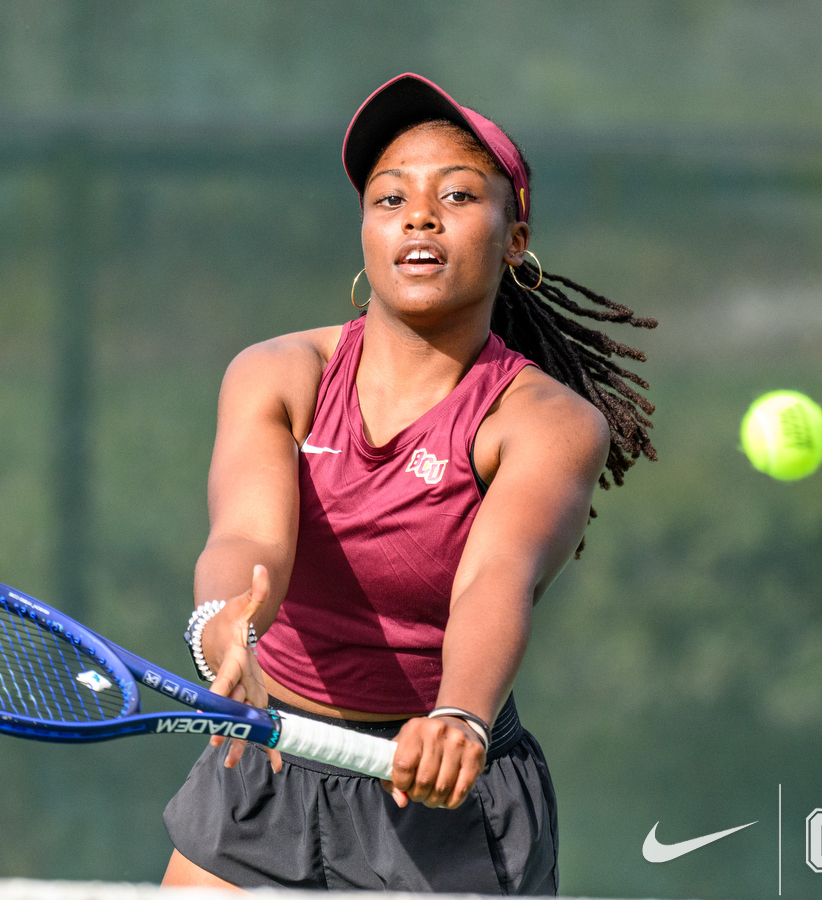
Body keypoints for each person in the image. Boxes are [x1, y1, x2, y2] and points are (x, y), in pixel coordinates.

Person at [161, 73, 656, 894]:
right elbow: (245, 541)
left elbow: (497, 580)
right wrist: (227, 637)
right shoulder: (278, 373)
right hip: (266, 764)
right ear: (364, 230)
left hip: (440, 802)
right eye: (390, 199)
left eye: (458, 195)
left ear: (515, 238)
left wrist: (459, 715)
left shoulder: (546, 422)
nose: (419, 215)